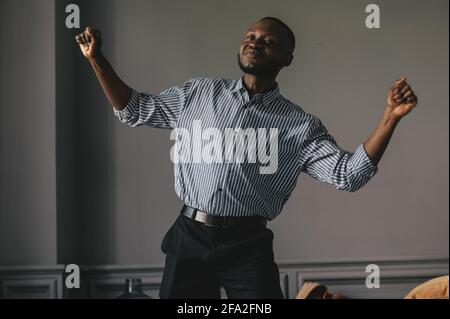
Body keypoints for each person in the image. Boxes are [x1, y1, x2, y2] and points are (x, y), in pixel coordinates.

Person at [75, 17, 418, 299]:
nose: (255, 42)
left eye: (268, 41)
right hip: (189, 236)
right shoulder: (197, 94)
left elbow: (348, 174)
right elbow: (134, 108)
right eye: (250, 36)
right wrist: (96, 59)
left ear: (287, 58)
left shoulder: (299, 126)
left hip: (247, 244)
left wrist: (390, 117)